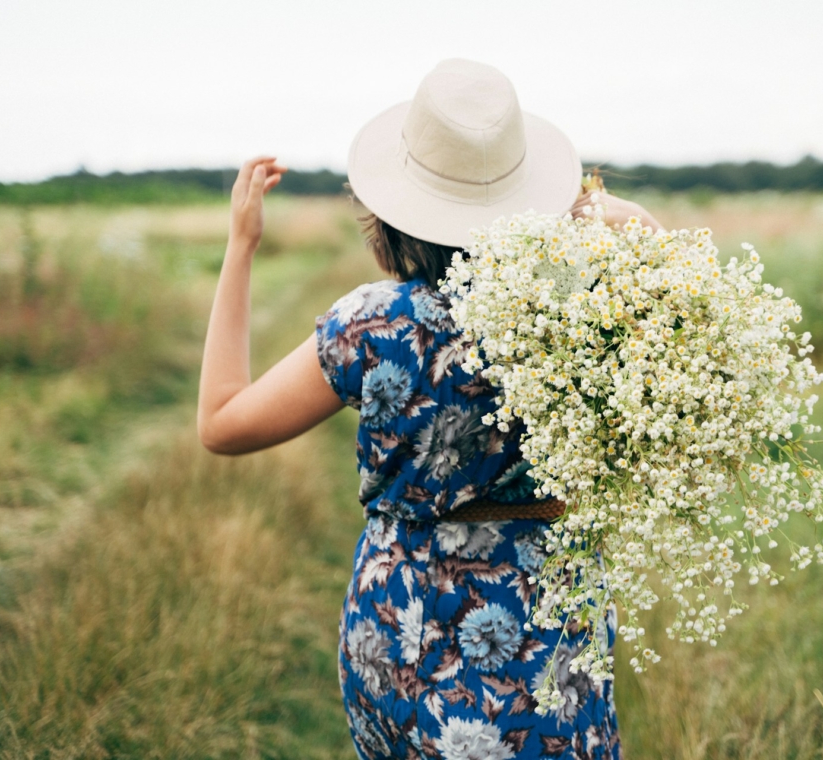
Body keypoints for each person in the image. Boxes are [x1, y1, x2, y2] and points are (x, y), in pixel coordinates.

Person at [197, 58, 663, 760]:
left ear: (392, 212)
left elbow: (221, 422)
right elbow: (682, 311)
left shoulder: (376, 324)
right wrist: (611, 217)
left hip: (396, 628)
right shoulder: (586, 315)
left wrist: (241, 245)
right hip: (544, 642)